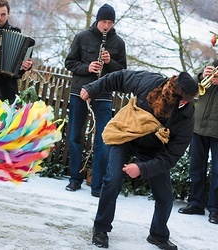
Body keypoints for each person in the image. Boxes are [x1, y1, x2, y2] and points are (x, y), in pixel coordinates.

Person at [79, 70, 199, 249]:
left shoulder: (186, 118)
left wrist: (142, 168)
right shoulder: (150, 82)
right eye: (181, 100)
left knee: (166, 197)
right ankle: (101, 228)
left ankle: (158, 235)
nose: (184, 103)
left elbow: (171, 157)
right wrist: (93, 87)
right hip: (126, 136)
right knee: (112, 180)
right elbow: (118, 77)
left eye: (187, 101)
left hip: (153, 148)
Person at [64, 3, 126, 196]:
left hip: (104, 95)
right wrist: (87, 67)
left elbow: (123, 71)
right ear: (97, 21)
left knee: (103, 139)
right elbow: (69, 62)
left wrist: (110, 62)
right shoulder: (82, 37)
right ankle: (75, 179)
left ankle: (97, 184)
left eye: (109, 22)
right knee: (74, 135)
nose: (106, 26)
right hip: (79, 91)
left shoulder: (118, 43)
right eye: (103, 21)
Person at [178, 59, 218, 224]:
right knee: (196, 166)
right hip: (199, 124)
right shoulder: (213, 63)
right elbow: (191, 87)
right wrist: (202, 75)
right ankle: (196, 203)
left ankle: (215, 208)